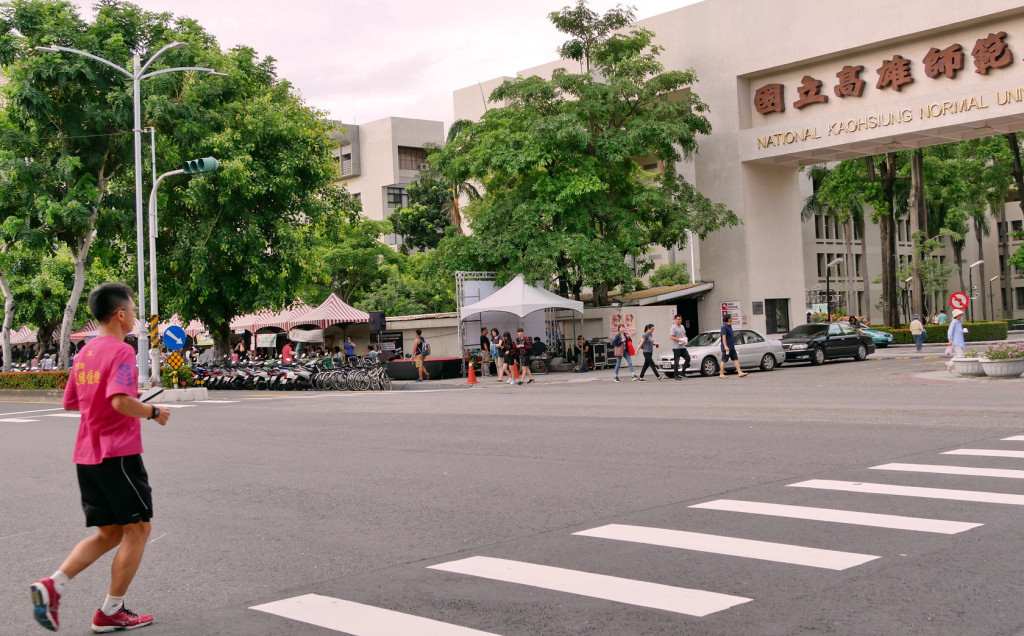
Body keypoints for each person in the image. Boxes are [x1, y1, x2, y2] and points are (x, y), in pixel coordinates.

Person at [30, 283, 171, 633]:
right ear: (120, 315)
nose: (136, 317)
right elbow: (120, 402)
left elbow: (71, 402)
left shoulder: (85, 353)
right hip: (117, 455)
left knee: (109, 533)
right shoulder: (122, 352)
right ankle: (112, 610)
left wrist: (125, 398)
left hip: (87, 455)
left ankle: (53, 585)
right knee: (138, 529)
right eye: (134, 311)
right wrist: (152, 410)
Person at [668, 315, 690, 380]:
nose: (679, 320)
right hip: (676, 347)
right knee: (677, 361)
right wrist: (680, 340)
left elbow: (684, 334)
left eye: (680, 319)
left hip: (682, 346)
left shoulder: (682, 326)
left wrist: (685, 338)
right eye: (678, 319)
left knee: (688, 358)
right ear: (675, 319)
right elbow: (671, 337)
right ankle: (676, 375)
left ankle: (682, 372)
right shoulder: (673, 328)